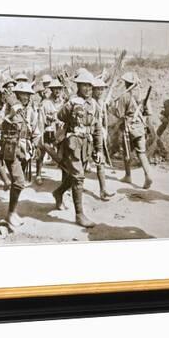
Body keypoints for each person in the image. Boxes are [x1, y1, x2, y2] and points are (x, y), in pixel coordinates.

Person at [53, 69, 100, 228]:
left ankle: (58, 192)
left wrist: (98, 149)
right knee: (78, 177)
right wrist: (71, 105)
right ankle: (79, 215)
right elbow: (60, 116)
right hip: (72, 143)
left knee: (73, 176)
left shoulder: (94, 105)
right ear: (78, 87)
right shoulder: (73, 102)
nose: (87, 89)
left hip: (86, 144)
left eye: (89, 86)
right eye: (84, 86)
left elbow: (97, 127)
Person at [0, 82, 41, 228]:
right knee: (19, 181)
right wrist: (11, 114)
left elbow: (35, 130)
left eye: (28, 95)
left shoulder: (30, 111)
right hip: (11, 148)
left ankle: (12, 211)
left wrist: (35, 145)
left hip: (25, 150)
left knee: (18, 183)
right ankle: (10, 213)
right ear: (17, 95)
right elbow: (1, 125)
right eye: (23, 94)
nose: (26, 97)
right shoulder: (8, 108)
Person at [114, 71, 153, 189]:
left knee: (126, 152)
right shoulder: (142, 95)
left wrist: (112, 108)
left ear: (126, 83)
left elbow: (120, 114)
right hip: (141, 128)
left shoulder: (124, 96)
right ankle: (148, 175)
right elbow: (149, 112)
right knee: (141, 153)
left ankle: (128, 175)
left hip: (128, 129)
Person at [35, 78, 64, 185]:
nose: (57, 91)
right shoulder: (46, 103)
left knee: (64, 152)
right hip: (49, 130)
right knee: (41, 150)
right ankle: (38, 174)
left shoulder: (63, 102)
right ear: (51, 90)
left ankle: (64, 176)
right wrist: (40, 134)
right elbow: (41, 120)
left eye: (59, 89)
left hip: (60, 131)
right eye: (55, 89)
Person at [92, 77, 116, 200]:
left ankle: (103, 190)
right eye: (97, 89)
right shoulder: (90, 103)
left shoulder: (101, 103)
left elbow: (103, 120)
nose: (100, 91)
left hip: (98, 135)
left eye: (102, 89)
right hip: (88, 136)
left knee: (100, 162)